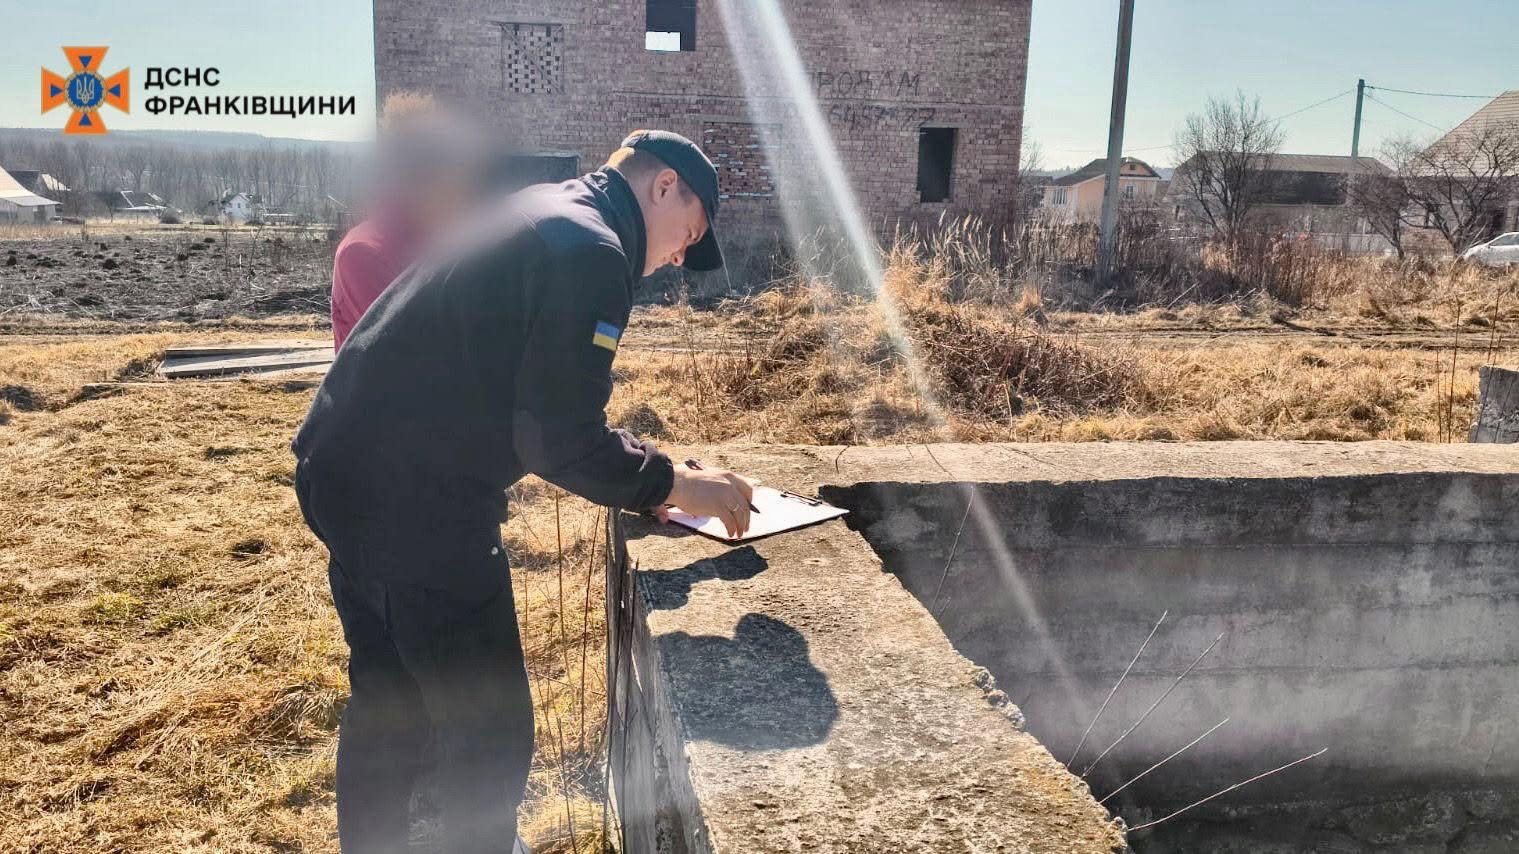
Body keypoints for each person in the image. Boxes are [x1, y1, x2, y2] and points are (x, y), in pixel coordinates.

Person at [292, 129, 755, 853]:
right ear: (664, 185)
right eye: (687, 236)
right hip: (418, 503)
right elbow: (556, 436)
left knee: (389, 701)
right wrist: (673, 483)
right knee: (489, 733)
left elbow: (536, 404)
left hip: (338, 467)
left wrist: (649, 476)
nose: (675, 260)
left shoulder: (543, 210)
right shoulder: (593, 252)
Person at [330, 92, 484, 349]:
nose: (463, 198)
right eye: (453, 185)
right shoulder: (363, 252)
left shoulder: (447, 242)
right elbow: (414, 350)